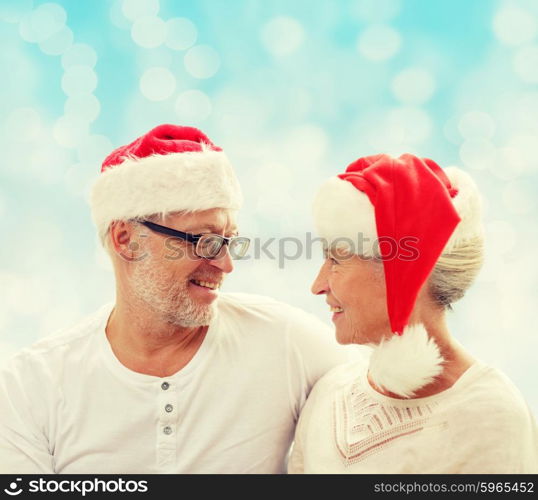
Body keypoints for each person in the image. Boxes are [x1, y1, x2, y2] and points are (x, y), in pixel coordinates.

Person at [0, 124, 349, 474]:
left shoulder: (287, 345)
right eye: (204, 240)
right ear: (126, 240)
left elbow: (386, 405)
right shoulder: (31, 386)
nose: (225, 264)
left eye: (230, 241)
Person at [288, 153, 538, 473]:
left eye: (336, 260)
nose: (317, 285)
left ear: (404, 274)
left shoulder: (490, 416)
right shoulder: (329, 393)